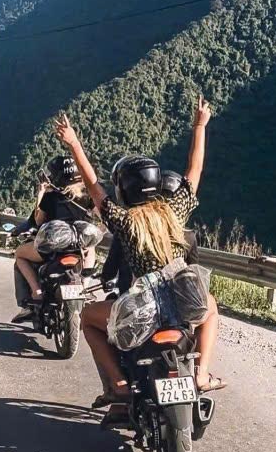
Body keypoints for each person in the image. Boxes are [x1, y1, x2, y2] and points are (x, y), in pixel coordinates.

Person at [55, 96, 225, 406]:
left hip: (143, 307)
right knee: (210, 308)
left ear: (124, 190)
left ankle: (119, 386)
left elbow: (92, 185)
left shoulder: (124, 221)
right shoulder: (175, 212)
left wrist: (74, 143)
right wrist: (200, 125)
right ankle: (201, 375)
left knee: (88, 318)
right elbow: (194, 170)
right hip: (182, 300)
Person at [11, 155, 95, 321]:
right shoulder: (87, 197)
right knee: (91, 247)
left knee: (19, 254)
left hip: (52, 248)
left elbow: (38, 221)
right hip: (78, 247)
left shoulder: (51, 197)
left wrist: (41, 192)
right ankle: (84, 285)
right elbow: (99, 216)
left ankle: (36, 292)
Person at [101, 170, 199, 296]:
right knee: (210, 302)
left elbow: (111, 266)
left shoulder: (131, 227)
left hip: (135, 299)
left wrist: (106, 278)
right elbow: (194, 273)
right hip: (177, 298)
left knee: (92, 308)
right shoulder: (188, 236)